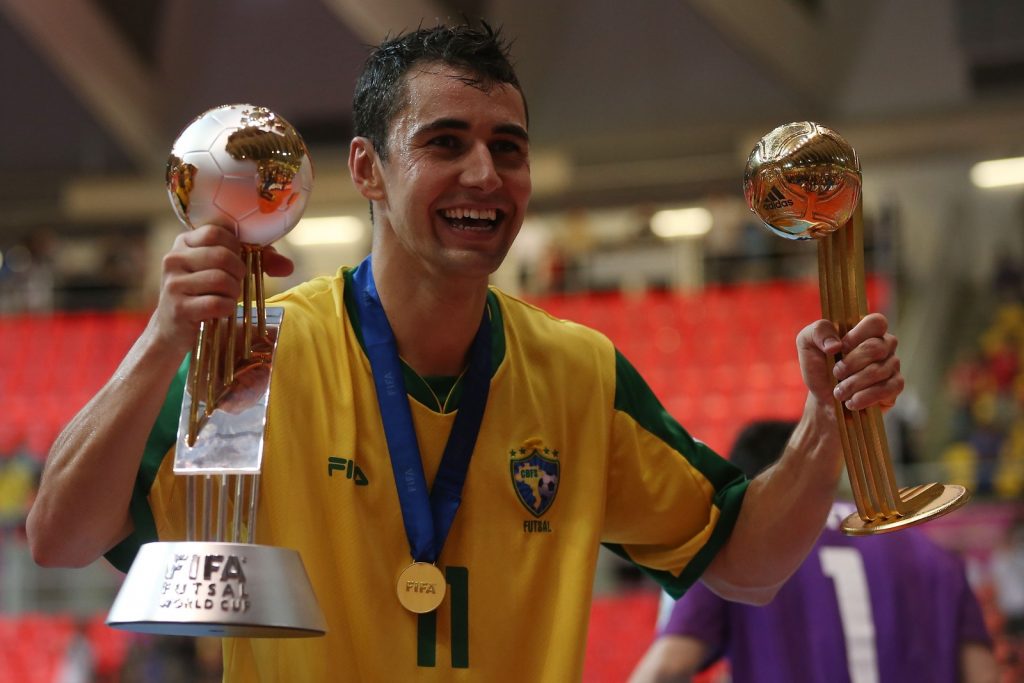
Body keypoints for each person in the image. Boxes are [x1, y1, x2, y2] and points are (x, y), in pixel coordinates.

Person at [26, 23, 906, 681]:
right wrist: (162, 339)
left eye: (508, 149)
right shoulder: (262, 354)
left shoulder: (579, 373)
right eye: (446, 142)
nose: (486, 174)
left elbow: (746, 565)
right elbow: (62, 536)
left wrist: (827, 417)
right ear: (368, 169)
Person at [629, 420, 999, 683]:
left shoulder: (736, 548)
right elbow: (983, 675)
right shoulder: (935, 558)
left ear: (748, 488)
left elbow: (668, 668)